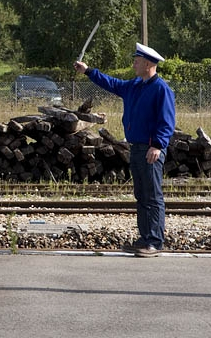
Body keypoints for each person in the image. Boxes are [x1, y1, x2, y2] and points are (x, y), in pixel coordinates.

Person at [74, 43, 175, 258]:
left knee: (152, 196)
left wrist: (158, 145)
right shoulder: (135, 85)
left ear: (147, 64)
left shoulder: (161, 89)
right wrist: (89, 71)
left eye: (137, 61)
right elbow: (111, 83)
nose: (133, 64)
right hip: (136, 147)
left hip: (150, 149)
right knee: (141, 195)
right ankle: (144, 239)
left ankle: (154, 242)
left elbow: (167, 121)